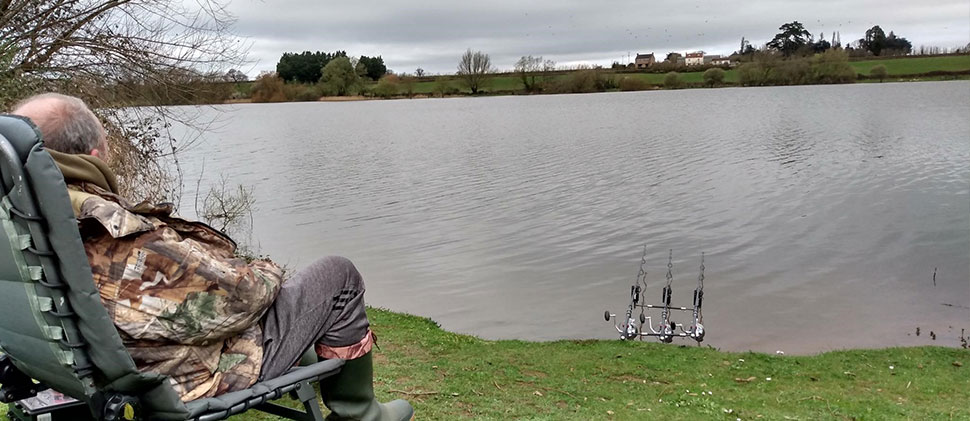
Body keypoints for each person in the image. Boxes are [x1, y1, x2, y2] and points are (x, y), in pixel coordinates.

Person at [11, 93, 413, 421]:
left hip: (100, 362)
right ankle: (361, 413)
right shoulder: (112, 232)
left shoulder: (24, 226)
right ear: (95, 155)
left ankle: (313, 356)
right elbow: (247, 296)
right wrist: (262, 267)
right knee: (336, 276)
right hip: (187, 376)